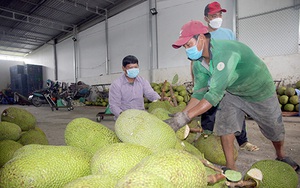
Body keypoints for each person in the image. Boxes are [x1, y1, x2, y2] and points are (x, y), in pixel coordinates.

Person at [166, 20, 299, 172]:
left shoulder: (224, 54)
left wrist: (185, 117)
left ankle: (281, 155)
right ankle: (231, 167)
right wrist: (182, 115)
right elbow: (199, 92)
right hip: (231, 91)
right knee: (225, 126)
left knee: (274, 127)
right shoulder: (198, 62)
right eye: (184, 47)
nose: (186, 50)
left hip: (258, 89)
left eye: (188, 44)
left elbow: (213, 95)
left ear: (201, 38)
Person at [197, 1, 259, 152]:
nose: (218, 17)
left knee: (237, 111)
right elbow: (197, 60)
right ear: (206, 18)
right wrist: (198, 82)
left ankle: (243, 141)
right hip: (212, 81)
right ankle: (206, 137)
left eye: (219, 14)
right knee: (209, 110)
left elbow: (237, 54)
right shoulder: (201, 35)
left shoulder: (229, 33)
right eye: (213, 15)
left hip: (231, 81)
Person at [109, 55, 160, 119]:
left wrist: (160, 99)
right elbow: (114, 106)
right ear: (123, 68)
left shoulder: (142, 81)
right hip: (124, 118)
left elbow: (150, 93)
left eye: (135, 67)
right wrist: (123, 116)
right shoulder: (117, 84)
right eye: (130, 68)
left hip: (141, 116)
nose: (133, 70)